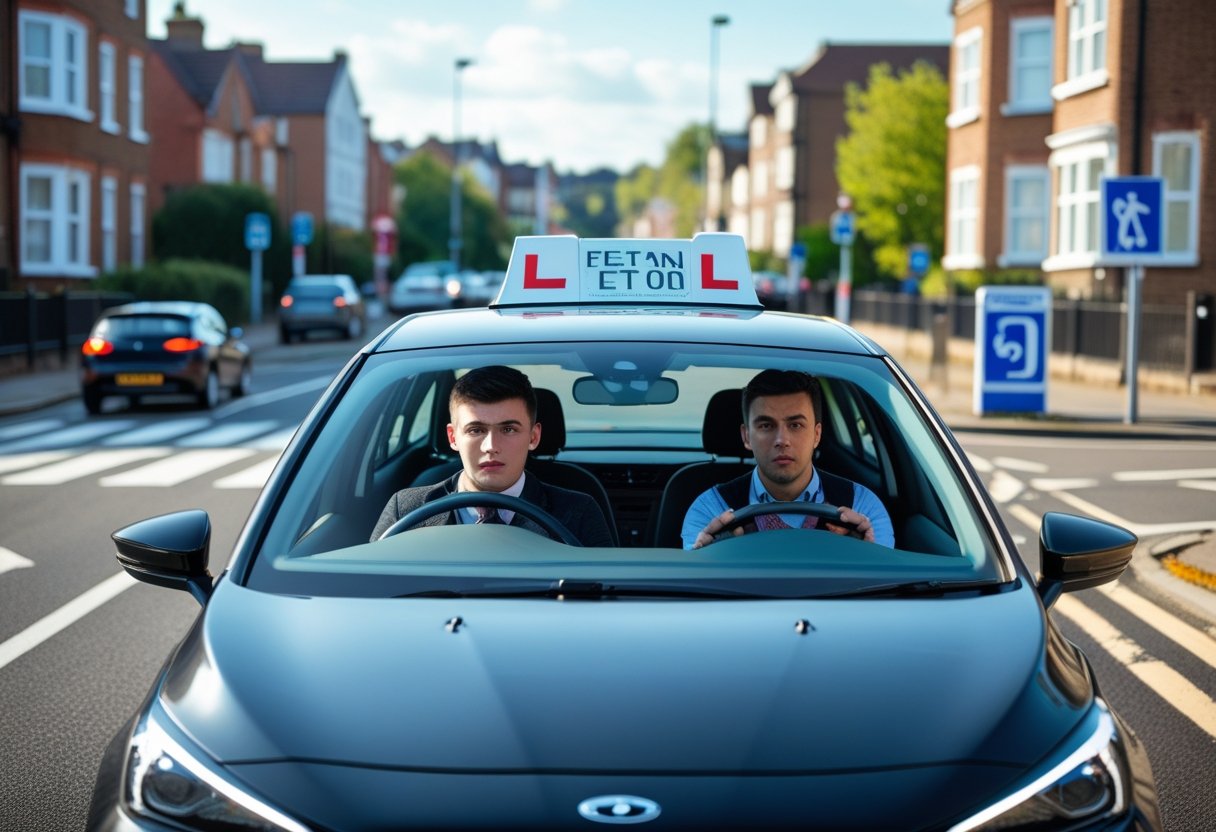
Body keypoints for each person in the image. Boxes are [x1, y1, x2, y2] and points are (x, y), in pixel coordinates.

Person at [370, 365, 614, 546]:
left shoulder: (579, 512)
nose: (491, 446)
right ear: (453, 437)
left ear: (533, 437)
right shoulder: (406, 510)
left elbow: (603, 603)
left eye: (508, 429)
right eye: (476, 430)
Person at [682, 369, 894, 550]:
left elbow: (882, 592)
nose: (782, 440)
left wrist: (868, 557)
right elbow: (699, 591)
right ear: (746, 436)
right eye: (766, 425)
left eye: (795, 425)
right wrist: (709, 559)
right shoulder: (709, 511)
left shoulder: (863, 508)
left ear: (817, 434)